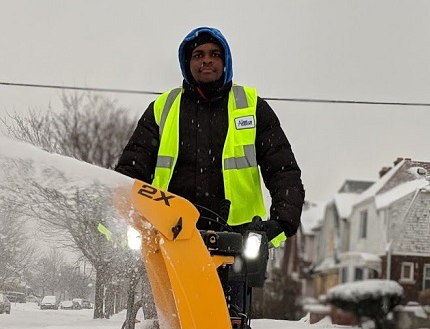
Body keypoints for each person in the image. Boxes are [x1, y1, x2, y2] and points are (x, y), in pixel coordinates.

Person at [115, 26, 305, 244]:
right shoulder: (162, 108)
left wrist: (281, 221)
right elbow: (130, 171)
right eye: (198, 55)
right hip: (169, 235)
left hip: (239, 239)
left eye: (215, 54)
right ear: (187, 63)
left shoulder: (252, 108)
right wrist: (120, 219)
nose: (207, 60)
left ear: (226, 62)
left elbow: (283, 171)